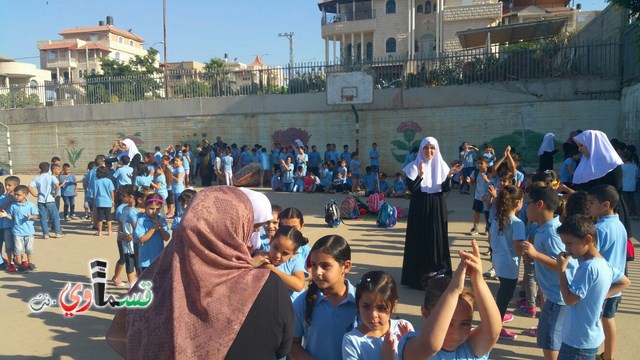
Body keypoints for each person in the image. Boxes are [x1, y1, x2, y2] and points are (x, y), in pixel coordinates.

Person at [106, 186, 294, 359]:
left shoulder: (151, 284)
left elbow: (134, 338)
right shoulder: (268, 286)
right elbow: (283, 347)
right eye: (252, 226)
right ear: (240, 227)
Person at [398, 240, 502, 360]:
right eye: (448, 323)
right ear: (425, 313)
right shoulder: (415, 347)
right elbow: (431, 345)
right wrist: (453, 291)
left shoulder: (470, 347)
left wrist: (478, 280)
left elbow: (492, 332)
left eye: (465, 323)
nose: (455, 333)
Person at [555, 215, 630, 360]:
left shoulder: (588, 268)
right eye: (564, 244)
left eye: (570, 243)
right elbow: (625, 282)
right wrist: (598, 296)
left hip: (577, 342)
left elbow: (569, 299)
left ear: (588, 240)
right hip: (589, 337)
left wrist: (561, 270)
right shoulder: (603, 263)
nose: (567, 249)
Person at [521, 185, 577, 360]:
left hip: (557, 297)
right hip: (553, 295)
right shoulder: (545, 228)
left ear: (540, 204)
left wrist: (535, 254)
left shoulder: (552, 233)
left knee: (549, 341)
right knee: (552, 338)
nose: (525, 207)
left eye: (527, 203)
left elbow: (564, 265)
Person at [401, 137, 463, 289]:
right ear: (421, 149)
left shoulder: (442, 167)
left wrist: (449, 176)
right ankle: (417, 276)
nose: (429, 151)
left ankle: (438, 273)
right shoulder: (412, 167)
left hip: (437, 206)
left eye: (432, 148)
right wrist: (420, 175)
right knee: (419, 237)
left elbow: (445, 188)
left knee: (437, 238)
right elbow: (412, 190)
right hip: (419, 206)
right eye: (426, 148)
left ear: (437, 150)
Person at [290, 235, 357, 359]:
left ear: (346, 266)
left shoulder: (362, 303)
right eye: (314, 265)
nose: (317, 272)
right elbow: (292, 343)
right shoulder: (303, 302)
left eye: (325, 266)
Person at [586, 185, 628, 360]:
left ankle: (588, 353)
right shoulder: (619, 225)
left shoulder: (600, 229)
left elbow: (591, 256)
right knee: (608, 319)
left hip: (602, 285)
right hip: (616, 283)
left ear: (605, 204)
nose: (588, 206)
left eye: (591, 202)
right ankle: (608, 355)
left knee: (594, 322)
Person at [342, 271, 414, 360]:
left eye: (381, 308)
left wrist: (410, 351)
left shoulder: (403, 328)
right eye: (366, 306)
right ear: (357, 305)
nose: (373, 315)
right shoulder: (352, 340)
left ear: (393, 306)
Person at [571, 130, 630, 234]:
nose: (579, 149)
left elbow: (614, 190)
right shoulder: (585, 163)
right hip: (590, 209)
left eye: (581, 145)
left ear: (592, 144)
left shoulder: (612, 164)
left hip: (608, 211)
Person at [489, 185, 526, 340]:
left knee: (503, 292)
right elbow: (518, 247)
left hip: (498, 260)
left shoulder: (497, 218)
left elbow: (490, 239)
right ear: (518, 202)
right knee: (506, 295)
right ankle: (497, 327)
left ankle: (499, 315)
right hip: (510, 264)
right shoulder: (518, 223)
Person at [252, 226, 308, 302]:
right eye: (275, 247)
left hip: (291, 310)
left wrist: (272, 269)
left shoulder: (294, 261)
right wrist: (253, 263)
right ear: (271, 241)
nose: (277, 255)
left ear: (293, 254)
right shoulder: (260, 258)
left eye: (285, 253)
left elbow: (299, 285)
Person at [0, 185, 40, 272]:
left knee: (29, 249)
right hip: (17, 232)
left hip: (29, 232)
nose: (16, 196)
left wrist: (32, 216)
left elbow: (38, 215)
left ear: (26, 195)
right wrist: (6, 215)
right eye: (15, 195)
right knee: (18, 250)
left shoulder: (30, 205)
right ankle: (20, 265)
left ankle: (30, 263)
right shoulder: (14, 206)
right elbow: (12, 217)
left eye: (18, 195)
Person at [133, 194, 170, 272]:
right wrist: (153, 229)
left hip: (159, 259)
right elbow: (141, 239)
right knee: (147, 283)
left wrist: (161, 229)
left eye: (157, 209)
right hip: (145, 261)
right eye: (151, 208)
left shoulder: (162, 220)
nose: (154, 211)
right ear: (145, 207)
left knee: (159, 282)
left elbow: (166, 238)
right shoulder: (141, 221)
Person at [28, 162, 62, 239]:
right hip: (50, 199)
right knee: (55, 216)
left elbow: (29, 187)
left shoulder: (37, 178)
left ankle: (45, 234)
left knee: (43, 217)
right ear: (49, 169)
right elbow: (57, 185)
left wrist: (35, 194)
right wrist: (55, 194)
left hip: (40, 199)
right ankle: (57, 233)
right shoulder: (51, 177)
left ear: (40, 169)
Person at [113, 185, 137, 288]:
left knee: (134, 261)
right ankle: (116, 276)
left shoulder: (138, 209)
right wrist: (122, 235)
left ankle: (133, 281)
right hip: (123, 239)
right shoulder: (122, 208)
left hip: (134, 240)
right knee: (124, 258)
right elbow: (120, 223)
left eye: (124, 196)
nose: (122, 198)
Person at [0, 176, 20, 272]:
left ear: (16, 186)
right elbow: (0, 210)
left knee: (18, 245)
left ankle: (19, 261)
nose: (7, 187)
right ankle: (10, 262)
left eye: (9, 185)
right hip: (6, 226)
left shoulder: (19, 197)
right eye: (6, 185)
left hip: (18, 226)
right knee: (8, 245)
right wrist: (7, 201)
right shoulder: (3, 197)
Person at [468, 157, 490, 236]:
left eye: (481, 163)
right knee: (477, 212)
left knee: (487, 213)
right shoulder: (476, 172)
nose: (479, 165)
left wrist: (487, 179)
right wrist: (469, 181)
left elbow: (493, 184)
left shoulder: (490, 173)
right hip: (478, 196)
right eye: (478, 163)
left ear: (487, 164)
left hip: (487, 197)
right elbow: (472, 183)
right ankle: (475, 227)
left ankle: (487, 228)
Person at [94, 166, 115, 237]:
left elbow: (95, 193)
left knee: (100, 217)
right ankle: (109, 231)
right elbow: (111, 191)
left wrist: (95, 200)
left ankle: (99, 232)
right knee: (108, 217)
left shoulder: (96, 182)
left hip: (99, 201)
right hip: (108, 201)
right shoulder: (109, 181)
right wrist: (113, 200)